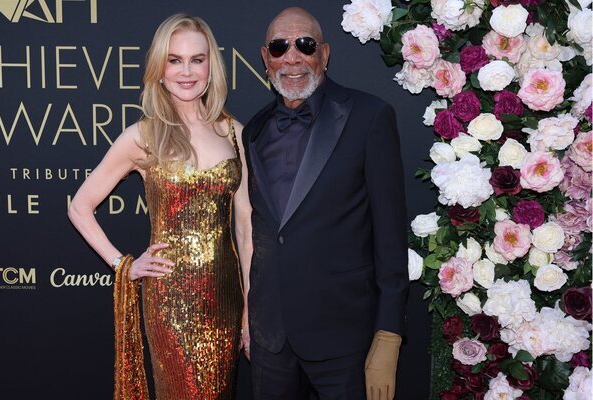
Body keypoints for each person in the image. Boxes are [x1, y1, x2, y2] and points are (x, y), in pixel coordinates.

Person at [68, 14, 252, 400]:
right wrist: (125, 265)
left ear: (210, 67)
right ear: (159, 69)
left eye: (196, 60)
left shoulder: (234, 132)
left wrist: (251, 308)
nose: (186, 71)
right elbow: (80, 206)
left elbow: (246, 228)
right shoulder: (142, 136)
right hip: (170, 301)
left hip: (226, 299)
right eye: (174, 60)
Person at [241, 7, 409, 400]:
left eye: (305, 45)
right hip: (271, 341)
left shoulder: (369, 117)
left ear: (325, 53)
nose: (293, 57)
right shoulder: (254, 131)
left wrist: (388, 334)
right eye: (280, 47)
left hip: (345, 339)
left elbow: (390, 236)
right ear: (266, 59)